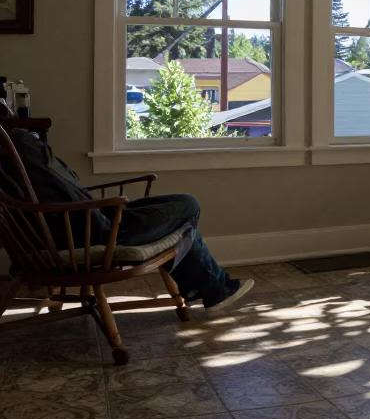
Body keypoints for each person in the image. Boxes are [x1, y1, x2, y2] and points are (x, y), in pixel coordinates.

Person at [0, 127, 253, 312]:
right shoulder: (21, 147)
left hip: (94, 220)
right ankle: (211, 287)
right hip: (100, 234)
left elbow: (66, 197)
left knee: (177, 207)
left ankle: (211, 288)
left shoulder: (18, 158)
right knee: (189, 205)